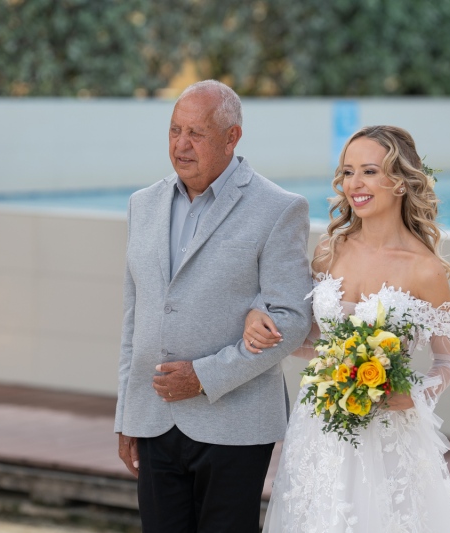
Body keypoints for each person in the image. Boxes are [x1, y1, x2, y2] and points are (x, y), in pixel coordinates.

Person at [245, 125, 450, 532]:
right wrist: (265, 325)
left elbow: (448, 362)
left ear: (401, 182)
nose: (354, 184)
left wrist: (415, 394)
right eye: (347, 172)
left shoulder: (425, 269)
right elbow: (309, 339)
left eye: (369, 171)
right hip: (320, 427)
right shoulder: (330, 249)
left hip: (388, 434)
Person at [114, 80, 313, 532]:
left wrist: (204, 377)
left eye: (196, 134)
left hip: (235, 425)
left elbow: (291, 319)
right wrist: (127, 414)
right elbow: (134, 318)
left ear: (232, 137)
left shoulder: (279, 208)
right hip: (153, 418)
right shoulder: (141, 205)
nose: (181, 145)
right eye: (174, 131)